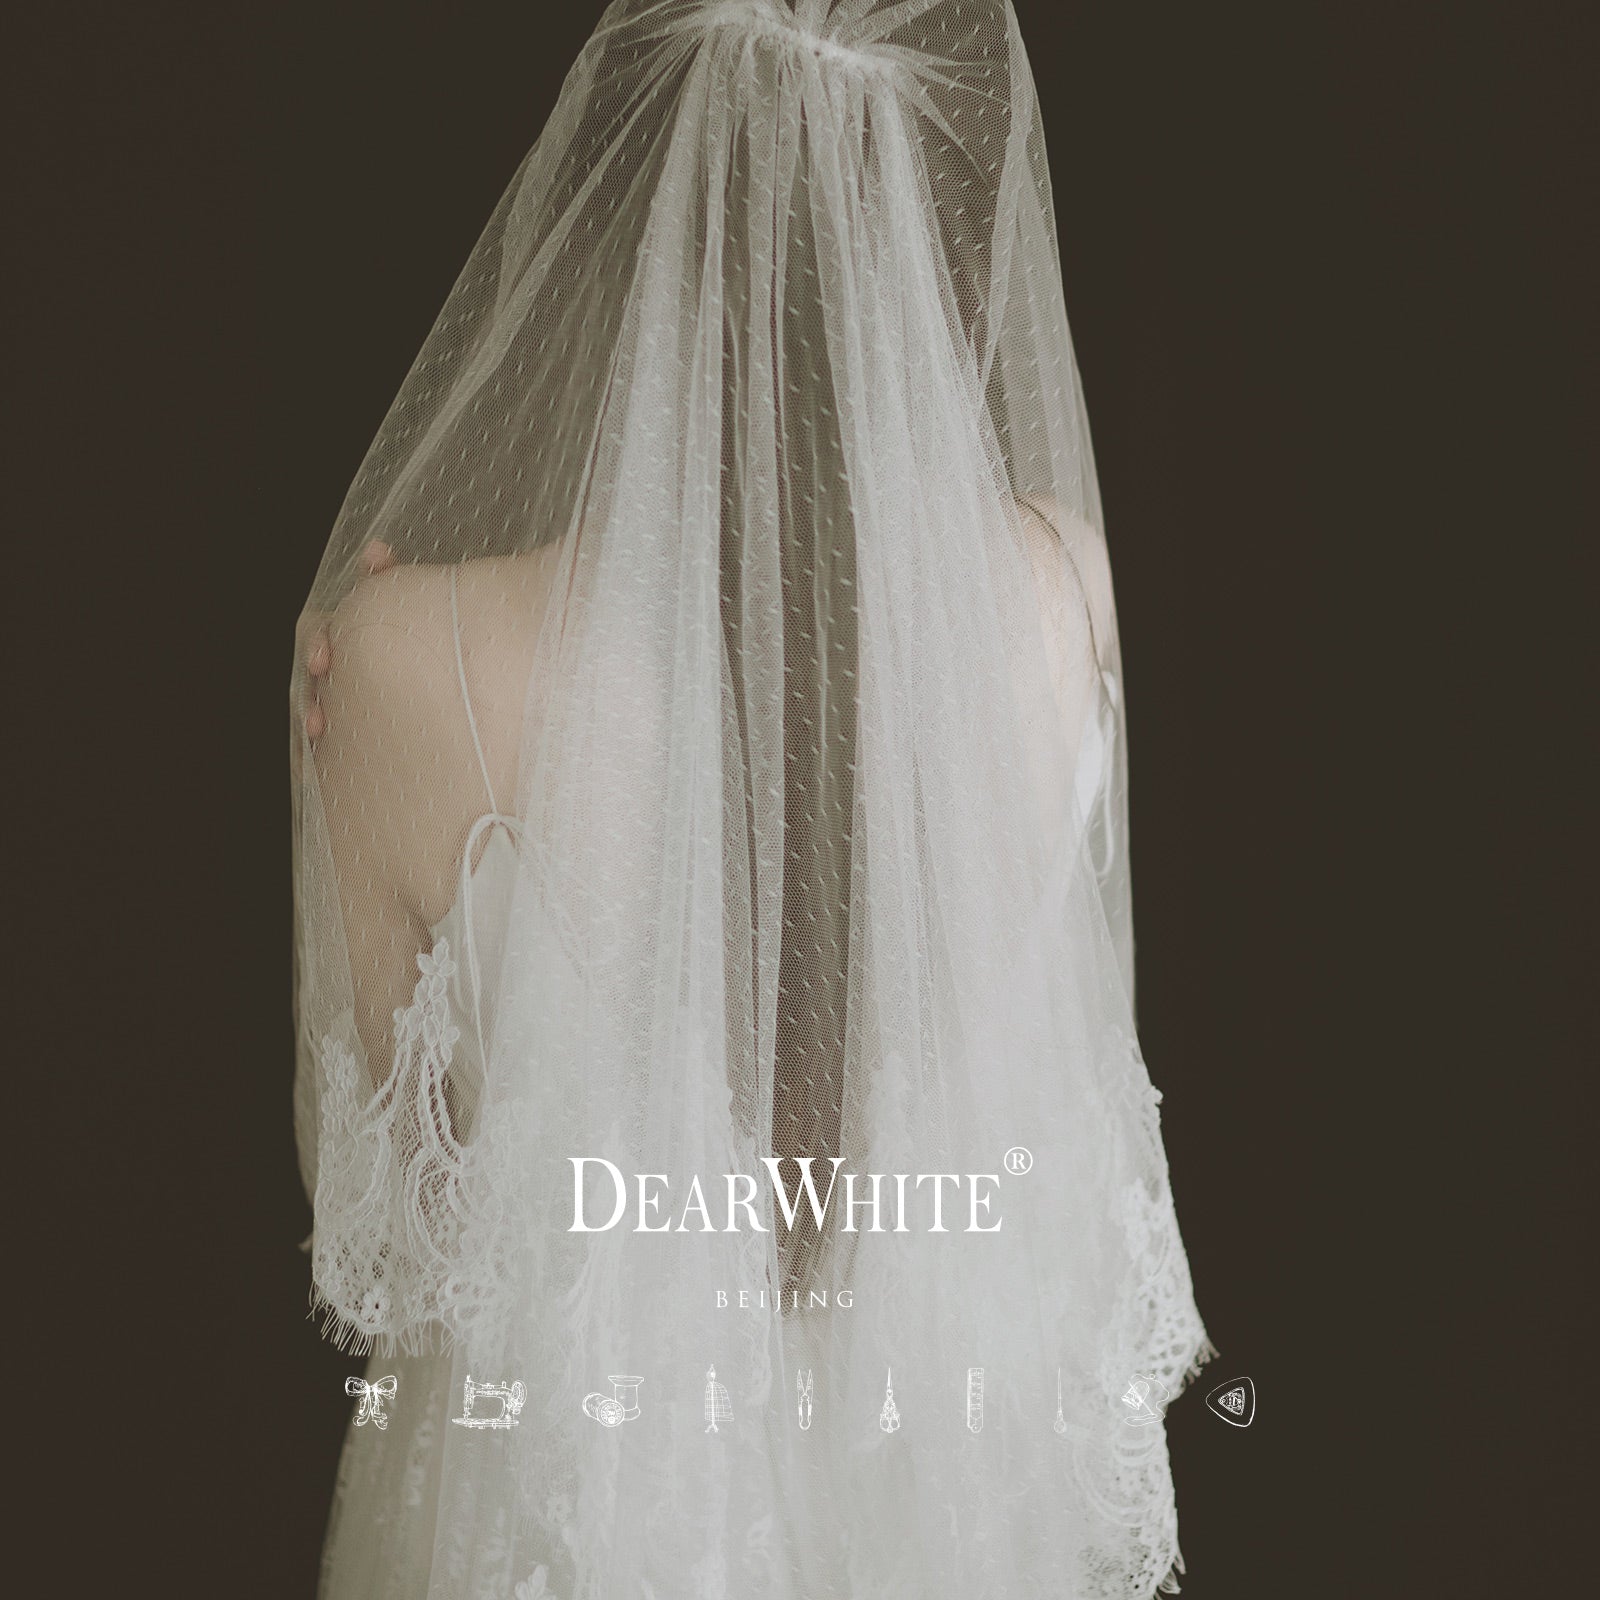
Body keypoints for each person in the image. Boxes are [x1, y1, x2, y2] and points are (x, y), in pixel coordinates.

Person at [290, 4, 1212, 1595]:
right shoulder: (1068, 596)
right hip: (937, 1514)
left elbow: (408, 1244)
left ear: (606, 202)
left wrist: (362, 700)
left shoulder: (394, 664)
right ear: (944, 224)